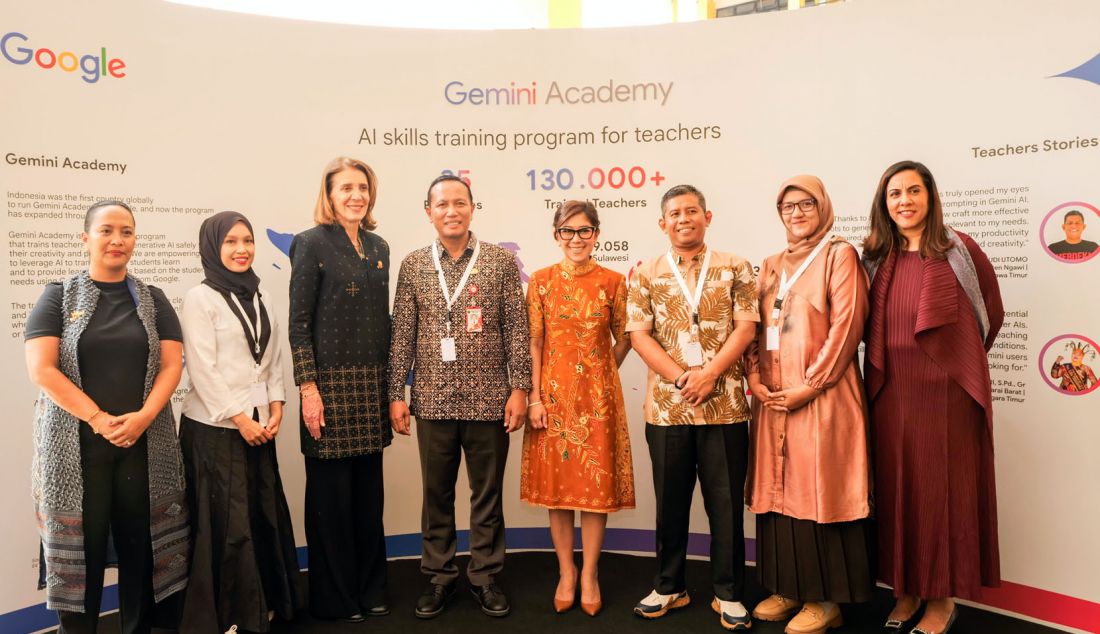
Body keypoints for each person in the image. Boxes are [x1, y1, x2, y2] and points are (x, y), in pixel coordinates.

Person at [25, 200, 189, 633]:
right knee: (84, 557)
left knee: (143, 554)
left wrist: (143, 417)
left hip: (143, 446)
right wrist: (98, 419)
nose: (117, 240)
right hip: (76, 453)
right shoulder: (57, 296)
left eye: (127, 231)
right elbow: (42, 369)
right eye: (106, 231)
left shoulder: (153, 300)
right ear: (86, 238)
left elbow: (172, 365)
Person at [862, 160, 1004, 634]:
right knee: (898, 493)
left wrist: (955, 365)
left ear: (931, 196)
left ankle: (941, 599)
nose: (904, 201)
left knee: (942, 496)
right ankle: (904, 591)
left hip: (947, 398)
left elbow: (991, 313)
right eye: (894, 194)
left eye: (913, 191)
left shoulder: (961, 250)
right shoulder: (876, 257)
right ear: (885, 204)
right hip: (890, 395)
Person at [389, 174, 532, 619]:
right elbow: (402, 336)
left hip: (490, 400)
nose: (451, 211)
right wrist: (397, 393)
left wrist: (520, 388)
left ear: (473, 207)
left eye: (459, 202)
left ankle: (486, 576)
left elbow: (517, 331)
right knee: (436, 494)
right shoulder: (414, 264)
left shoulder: (499, 262)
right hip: (431, 400)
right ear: (428, 210)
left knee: (486, 495)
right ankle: (439, 577)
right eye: (442, 204)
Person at [744, 176, 874, 633]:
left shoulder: (839, 255)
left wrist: (811, 384)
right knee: (779, 494)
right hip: (773, 400)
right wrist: (755, 377)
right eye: (787, 206)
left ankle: (826, 600)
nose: (796, 213)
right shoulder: (770, 263)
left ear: (823, 207)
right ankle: (789, 588)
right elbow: (754, 327)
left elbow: (847, 327)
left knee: (820, 492)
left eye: (805, 204)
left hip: (822, 398)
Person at [626, 184, 759, 631]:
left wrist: (710, 373)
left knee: (726, 506)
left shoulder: (736, 267)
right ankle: (669, 586)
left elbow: (746, 327)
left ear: (708, 216)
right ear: (662, 223)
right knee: (671, 503)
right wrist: (682, 376)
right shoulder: (645, 272)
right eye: (674, 214)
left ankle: (729, 593)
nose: (683, 219)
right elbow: (639, 335)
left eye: (691, 211)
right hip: (668, 409)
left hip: (725, 408)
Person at [178, 211, 304, 632]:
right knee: (226, 525)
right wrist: (239, 418)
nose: (241, 249)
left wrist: (277, 406)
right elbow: (202, 368)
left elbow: (269, 361)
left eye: (247, 240)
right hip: (214, 430)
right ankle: (227, 617)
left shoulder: (261, 296)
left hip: (259, 425)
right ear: (214, 247)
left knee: (262, 514)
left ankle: (262, 604)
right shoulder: (200, 298)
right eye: (230, 242)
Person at [288, 157, 392, 622]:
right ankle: (335, 598)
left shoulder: (379, 246)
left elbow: (383, 325)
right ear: (328, 195)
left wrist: (395, 390)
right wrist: (308, 388)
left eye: (363, 187)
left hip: (371, 388)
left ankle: (370, 589)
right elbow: (298, 325)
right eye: (346, 187)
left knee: (369, 501)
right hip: (327, 390)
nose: (356, 195)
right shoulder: (310, 244)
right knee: (331, 503)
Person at [522, 200, 636, 617]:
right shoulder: (540, 281)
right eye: (567, 231)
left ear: (596, 234)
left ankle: (590, 573)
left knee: (593, 492)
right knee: (558, 492)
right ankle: (565, 571)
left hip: (597, 401)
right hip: (550, 400)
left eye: (584, 231)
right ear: (556, 235)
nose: (576, 239)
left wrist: (602, 371)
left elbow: (626, 336)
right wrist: (534, 396)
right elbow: (534, 343)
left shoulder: (613, 281)